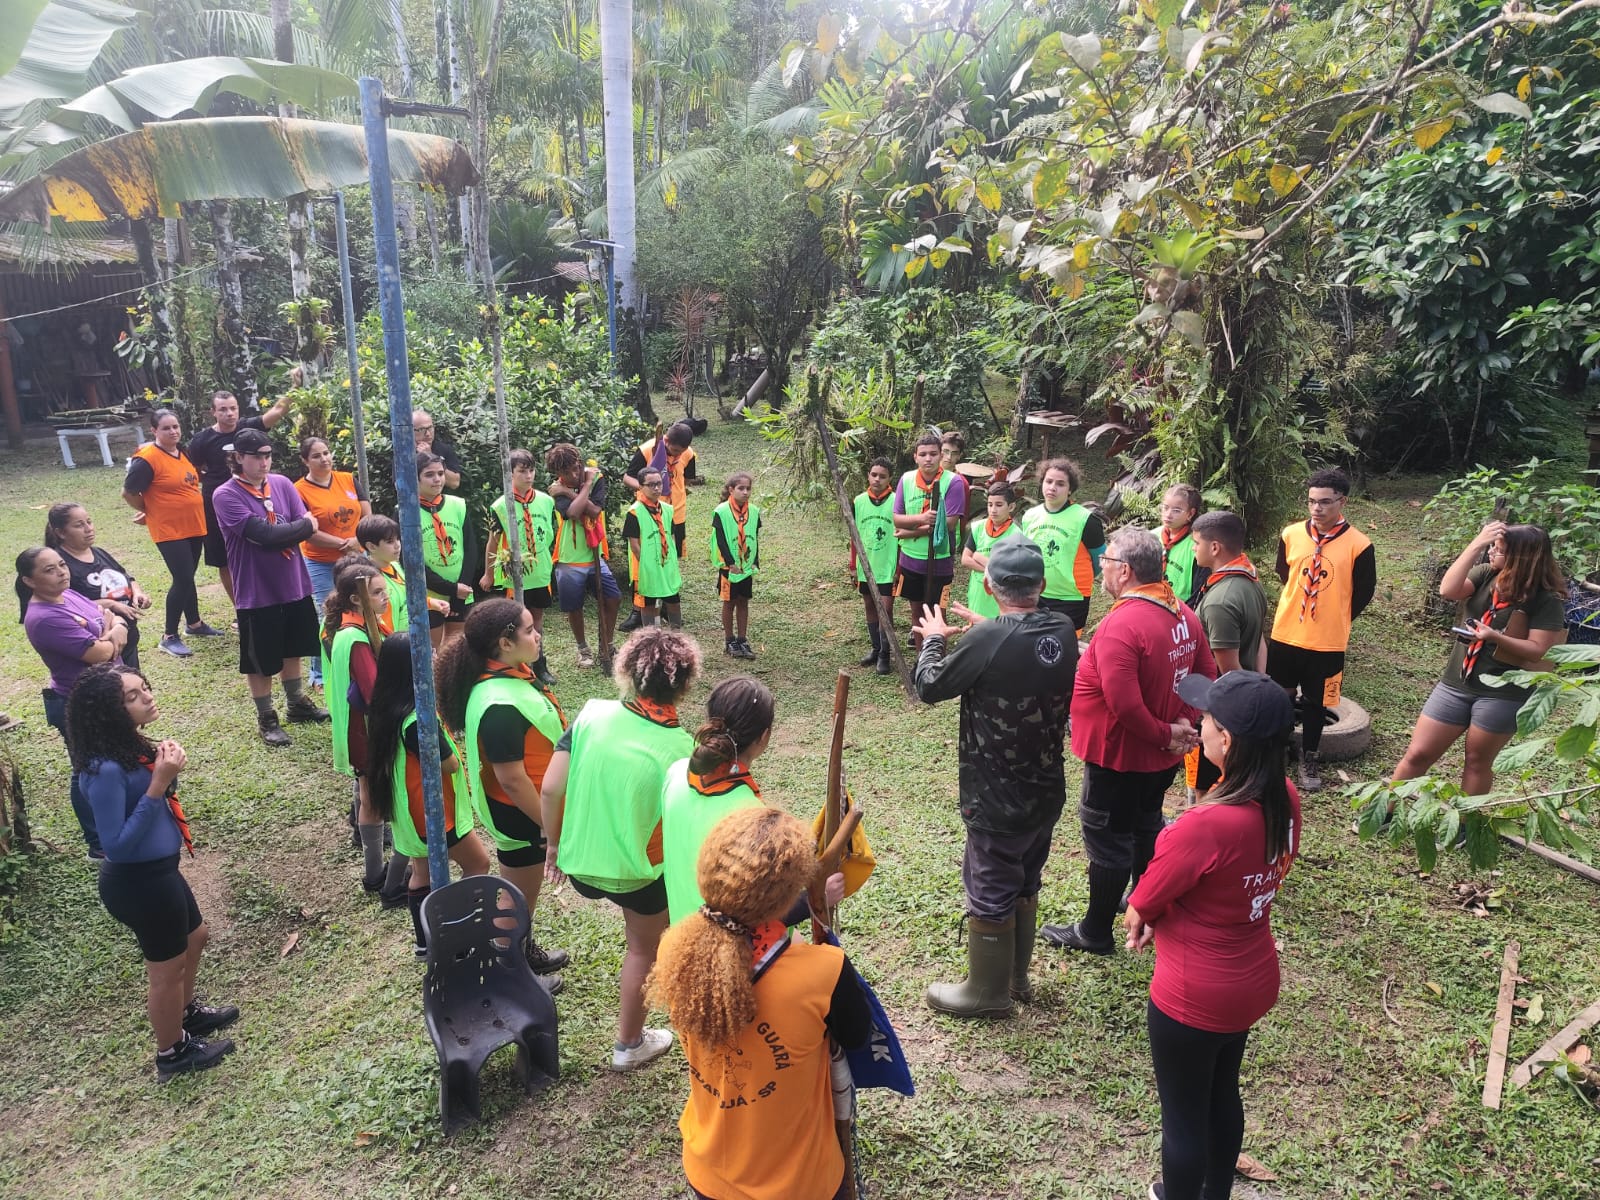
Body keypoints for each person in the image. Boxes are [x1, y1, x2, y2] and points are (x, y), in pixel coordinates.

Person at [1125, 671, 1301, 1200]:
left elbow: (1142, 905)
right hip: (1251, 980)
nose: (1198, 725)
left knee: (1182, 1116)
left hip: (1192, 994)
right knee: (1223, 1091)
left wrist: (1149, 914)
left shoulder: (1205, 825)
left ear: (1227, 740)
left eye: (1205, 719)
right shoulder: (1284, 797)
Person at [646, 806, 872, 1200]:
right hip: (801, 1183)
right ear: (788, 896)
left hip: (707, 1172)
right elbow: (856, 1037)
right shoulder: (824, 971)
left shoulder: (675, 949)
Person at [912, 538, 1078, 1016]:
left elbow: (929, 687)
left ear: (987, 583)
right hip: (1045, 787)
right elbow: (1021, 637)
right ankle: (1016, 978)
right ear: (1042, 585)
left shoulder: (988, 639)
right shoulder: (1062, 629)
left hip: (995, 793)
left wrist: (936, 639)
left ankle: (987, 994)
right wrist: (987, 630)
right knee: (1026, 879)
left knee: (989, 886)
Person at [1042, 527, 1216, 956]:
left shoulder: (1124, 623)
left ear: (1123, 571)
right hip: (1160, 758)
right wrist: (1183, 725)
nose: (1102, 568)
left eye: (1106, 563)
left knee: (1108, 840)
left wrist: (1168, 731)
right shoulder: (1181, 613)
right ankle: (1143, 900)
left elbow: (1124, 705)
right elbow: (1207, 674)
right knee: (1145, 825)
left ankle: (1096, 931)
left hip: (1119, 756)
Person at [64, 663, 241, 1079]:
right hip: (138, 882)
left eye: (144, 688)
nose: (146, 696)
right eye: (131, 696)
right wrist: (158, 783)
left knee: (196, 936)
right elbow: (116, 846)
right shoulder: (104, 769)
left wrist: (163, 773)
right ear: (108, 712)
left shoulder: (127, 746)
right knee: (166, 971)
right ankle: (172, 1053)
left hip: (161, 871)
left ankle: (185, 1012)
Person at [542, 627, 700, 1069]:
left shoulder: (590, 714)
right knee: (642, 949)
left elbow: (552, 788)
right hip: (638, 876)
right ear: (685, 686)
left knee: (640, 945)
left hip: (578, 865)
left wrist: (553, 844)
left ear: (627, 671)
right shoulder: (682, 747)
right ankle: (629, 1045)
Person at [436, 598, 570, 984]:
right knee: (518, 895)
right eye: (529, 630)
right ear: (504, 643)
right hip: (521, 809)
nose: (538, 635)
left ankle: (521, 950)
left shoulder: (506, 678)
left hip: (524, 804)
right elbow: (511, 778)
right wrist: (547, 824)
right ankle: (512, 970)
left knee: (522, 891)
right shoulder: (499, 703)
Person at [1392, 522, 1568, 797]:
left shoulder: (1545, 599)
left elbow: (1537, 650)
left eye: (1498, 550)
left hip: (1503, 693)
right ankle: (1384, 812)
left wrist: (1493, 637)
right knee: (1418, 753)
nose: (1491, 554)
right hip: (1456, 684)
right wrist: (1475, 543)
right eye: (1492, 548)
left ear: (1521, 558)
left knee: (1476, 762)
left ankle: (1465, 826)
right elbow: (1448, 590)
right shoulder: (1486, 575)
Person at [366, 633, 490, 957]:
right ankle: (463, 931)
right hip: (433, 814)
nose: (435, 660)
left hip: (409, 811)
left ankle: (425, 942)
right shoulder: (419, 720)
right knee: (479, 863)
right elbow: (448, 764)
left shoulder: (386, 709)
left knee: (421, 873)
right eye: (429, 656)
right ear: (413, 668)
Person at [212, 427, 328, 747]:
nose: (264, 463)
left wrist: (296, 528)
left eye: (267, 455)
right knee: (261, 659)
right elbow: (266, 536)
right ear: (238, 458)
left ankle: (296, 704)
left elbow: (292, 527)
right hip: (256, 589)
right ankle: (266, 718)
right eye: (256, 457)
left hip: (293, 583)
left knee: (293, 647)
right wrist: (300, 527)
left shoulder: (281, 484)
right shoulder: (226, 495)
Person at [1265, 467, 1376, 792]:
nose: (1317, 509)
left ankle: (1309, 756)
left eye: (1325, 502)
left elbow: (1364, 591)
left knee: (1317, 702)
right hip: (1286, 635)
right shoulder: (1291, 534)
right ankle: (1276, 752)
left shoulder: (1359, 545)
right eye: (1312, 501)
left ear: (1342, 502)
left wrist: (1336, 616)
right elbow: (1284, 572)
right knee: (1281, 697)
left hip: (1328, 643)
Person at [17, 546, 128, 858]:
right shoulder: (43, 618)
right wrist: (115, 631)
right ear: (29, 580)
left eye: (62, 565)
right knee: (88, 769)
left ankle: (117, 819)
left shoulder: (68, 596)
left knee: (110, 761)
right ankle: (98, 843)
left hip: (102, 692)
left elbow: (102, 618)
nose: (61, 572)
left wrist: (109, 628)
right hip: (78, 702)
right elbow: (101, 654)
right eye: (49, 570)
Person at [660, 676, 776, 923]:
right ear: (764, 737)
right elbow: (759, 911)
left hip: (681, 935)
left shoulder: (677, 772)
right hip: (726, 950)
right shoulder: (752, 814)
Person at [320, 560, 395, 892]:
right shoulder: (357, 638)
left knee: (366, 790)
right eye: (377, 592)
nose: (385, 597)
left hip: (359, 726)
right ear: (356, 598)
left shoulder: (359, 627)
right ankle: (375, 873)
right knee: (372, 798)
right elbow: (373, 689)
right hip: (363, 729)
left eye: (384, 590)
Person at [122, 409, 222, 658]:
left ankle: (195, 624)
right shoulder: (146, 459)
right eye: (166, 428)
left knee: (189, 575)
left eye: (176, 426)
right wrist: (149, 511)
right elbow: (129, 492)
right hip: (169, 529)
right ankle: (169, 636)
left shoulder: (182, 453)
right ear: (154, 431)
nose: (173, 431)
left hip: (193, 524)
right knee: (183, 577)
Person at [187, 381, 297, 606]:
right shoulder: (201, 440)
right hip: (217, 503)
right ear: (213, 412)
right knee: (224, 558)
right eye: (223, 409)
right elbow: (195, 469)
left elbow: (277, 411)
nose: (229, 414)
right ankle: (239, 605)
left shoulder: (249, 429)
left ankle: (268, 596)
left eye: (233, 408)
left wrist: (294, 385)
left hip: (255, 498)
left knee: (260, 546)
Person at [1188, 510, 1270, 795]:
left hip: (1220, 710)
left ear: (1214, 548)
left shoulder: (1220, 602)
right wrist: (1259, 678)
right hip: (1242, 698)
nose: (1193, 548)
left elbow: (1228, 671)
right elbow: (1259, 638)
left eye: (1196, 542)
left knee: (1206, 785)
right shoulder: (1250, 580)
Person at [294, 436, 371, 683]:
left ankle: (363, 660)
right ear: (305, 460)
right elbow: (307, 530)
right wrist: (342, 543)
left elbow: (367, 515)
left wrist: (357, 542)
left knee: (364, 605)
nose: (324, 459)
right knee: (326, 614)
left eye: (326, 453)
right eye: (316, 456)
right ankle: (320, 673)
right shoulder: (298, 490)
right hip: (320, 561)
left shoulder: (348, 479)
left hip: (356, 556)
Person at [481, 448, 558, 686]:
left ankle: (540, 664)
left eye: (531, 470)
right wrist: (489, 573)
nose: (528, 476)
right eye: (522, 471)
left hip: (540, 572)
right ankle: (517, 666)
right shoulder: (501, 506)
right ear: (510, 474)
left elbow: (550, 535)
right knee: (515, 623)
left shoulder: (546, 501)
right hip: (514, 576)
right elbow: (493, 541)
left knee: (536, 622)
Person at [46, 502, 151, 670]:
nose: (88, 528)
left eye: (89, 521)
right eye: (79, 525)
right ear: (61, 532)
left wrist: (138, 593)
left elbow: (127, 577)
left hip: (127, 638)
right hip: (100, 648)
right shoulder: (61, 565)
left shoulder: (98, 552)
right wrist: (110, 604)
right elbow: (66, 605)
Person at [547, 442, 621, 670]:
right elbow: (572, 512)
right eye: (566, 473)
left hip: (595, 554)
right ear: (558, 474)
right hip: (569, 557)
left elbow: (596, 511)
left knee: (613, 598)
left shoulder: (595, 479)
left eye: (576, 468)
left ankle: (606, 645)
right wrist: (573, 491)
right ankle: (583, 649)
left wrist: (578, 488)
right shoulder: (555, 488)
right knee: (574, 606)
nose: (573, 474)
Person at [621, 421, 697, 632]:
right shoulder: (647, 449)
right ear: (666, 441)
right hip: (646, 514)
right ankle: (638, 611)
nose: (677, 455)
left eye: (681, 452)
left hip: (674, 513)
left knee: (670, 558)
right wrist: (649, 488)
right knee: (643, 565)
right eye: (674, 451)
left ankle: (665, 603)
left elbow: (687, 479)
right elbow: (627, 477)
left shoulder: (688, 453)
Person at [893, 434, 968, 648]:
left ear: (940, 455)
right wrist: (923, 519)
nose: (929, 459)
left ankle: (937, 662)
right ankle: (920, 657)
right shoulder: (906, 480)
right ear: (915, 457)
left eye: (934, 454)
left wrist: (910, 531)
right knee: (916, 612)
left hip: (940, 560)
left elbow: (950, 523)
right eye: (923, 454)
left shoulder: (953, 482)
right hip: (910, 560)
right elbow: (898, 518)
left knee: (938, 612)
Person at [1018, 457, 1104, 632]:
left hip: (1071, 598)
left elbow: (1100, 561)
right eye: (1049, 481)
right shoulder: (1030, 516)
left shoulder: (1085, 520)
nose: (1052, 487)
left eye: (1060, 484)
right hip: (1036, 593)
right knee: (1033, 644)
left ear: (1070, 489)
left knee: (1064, 650)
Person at [415, 451, 475, 650]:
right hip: (430, 594)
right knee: (433, 651)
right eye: (429, 475)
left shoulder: (458, 505)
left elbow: (470, 548)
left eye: (440, 474)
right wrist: (449, 588)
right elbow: (411, 562)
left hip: (461, 591)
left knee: (456, 649)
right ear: (416, 478)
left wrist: (462, 586)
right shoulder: (407, 512)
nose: (437, 479)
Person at [849, 457, 899, 674]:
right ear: (868, 475)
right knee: (870, 606)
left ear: (890, 479)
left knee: (885, 610)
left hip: (888, 567)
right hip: (865, 565)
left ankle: (885, 655)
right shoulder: (858, 501)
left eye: (882, 476)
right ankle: (875, 648)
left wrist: (899, 567)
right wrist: (853, 565)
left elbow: (902, 537)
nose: (877, 479)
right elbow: (854, 535)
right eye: (874, 474)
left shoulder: (897, 501)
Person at [622, 467, 684, 629]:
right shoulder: (634, 512)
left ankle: (675, 634)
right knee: (649, 602)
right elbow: (634, 544)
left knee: (673, 599)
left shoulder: (668, 509)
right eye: (651, 485)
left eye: (659, 484)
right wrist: (647, 565)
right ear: (641, 487)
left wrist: (671, 561)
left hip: (666, 564)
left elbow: (671, 536)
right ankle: (651, 635)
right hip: (646, 566)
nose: (656, 488)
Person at [710, 470, 762, 660]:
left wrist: (755, 560)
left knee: (743, 601)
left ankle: (742, 639)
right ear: (731, 490)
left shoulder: (754, 511)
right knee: (729, 601)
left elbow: (755, 538)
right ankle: (729, 640)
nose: (745, 492)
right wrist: (730, 563)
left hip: (746, 566)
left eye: (748, 488)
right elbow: (720, 540)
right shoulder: (721, 511)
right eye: (741, 488)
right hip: (728, 567)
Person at [961, 481, 1024, 622]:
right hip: (978, 593)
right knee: (975, 632)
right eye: (990, 504)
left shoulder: (1016, 535)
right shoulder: (978, 528)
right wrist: (993, 571)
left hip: (1001, 597)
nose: (993, 510)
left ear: (1011, 507)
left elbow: (1009, 572)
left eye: (999, 505)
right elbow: (965, 559)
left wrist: (978, 557)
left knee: (997, 633)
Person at [1160, 484, 1204, 606]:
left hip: (1181, 612)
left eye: (1176, 510)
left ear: (1190, 514)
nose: (1168, 515)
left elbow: (1198, 591)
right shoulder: (1151, 537)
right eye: (1165, 507)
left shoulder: (1197, 545)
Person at [412, 409, 462, 490]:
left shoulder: (444, 449)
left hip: (442, 501)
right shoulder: (404, 454)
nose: (428, 434)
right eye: (421, 430)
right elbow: (400, 486)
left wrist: (431, 456)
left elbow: (455, 483)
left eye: (430, 428)